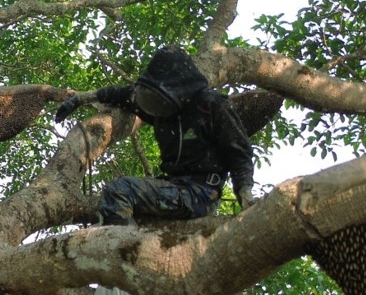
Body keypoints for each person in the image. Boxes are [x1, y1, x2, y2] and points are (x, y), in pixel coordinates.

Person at [54, 45, 257, 226]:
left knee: (119, 190)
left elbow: (239, 153)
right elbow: (122, 95)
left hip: (200, 192)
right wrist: (80, 98)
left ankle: (125, 252)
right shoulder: (159, 104)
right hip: (172, 184)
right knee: (113, 209)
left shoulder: (211, 105)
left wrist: (245, 194)